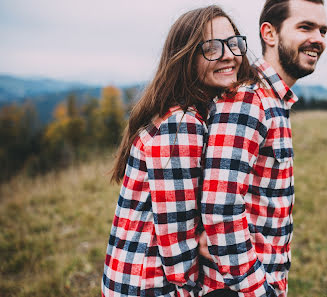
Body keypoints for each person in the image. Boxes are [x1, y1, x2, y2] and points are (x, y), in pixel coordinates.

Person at [101, 5, 260, 297]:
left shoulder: (187, 113)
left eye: (233, 43)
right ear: (186, 58)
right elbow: (176, 247)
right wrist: (196, 289)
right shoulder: (181, 125)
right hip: (147, 285)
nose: (228, 55)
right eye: (211, 48)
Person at [200, 0, 327, 296]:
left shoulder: (273, 100)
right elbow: (221, 210)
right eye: (305, 27)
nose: (318, 39)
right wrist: (259, 291)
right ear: (269, 34)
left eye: (323, 30)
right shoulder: (249, 99)